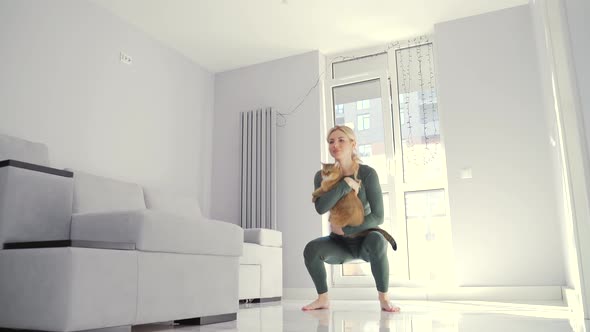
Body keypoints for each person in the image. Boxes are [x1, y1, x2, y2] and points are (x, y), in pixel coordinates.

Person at [302, 125, 400, 312]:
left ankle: (384, 299)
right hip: (338, 244)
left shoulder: (367, 174)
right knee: (311, 249)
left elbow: (378, 216)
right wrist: (346, 184)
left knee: (378, 240)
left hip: (365, 241)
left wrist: (348, 229)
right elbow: (321, 207)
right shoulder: (322, 175)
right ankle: (322, 298)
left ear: (353, 144)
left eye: (341, 140)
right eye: (331, 141)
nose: (335, 145)